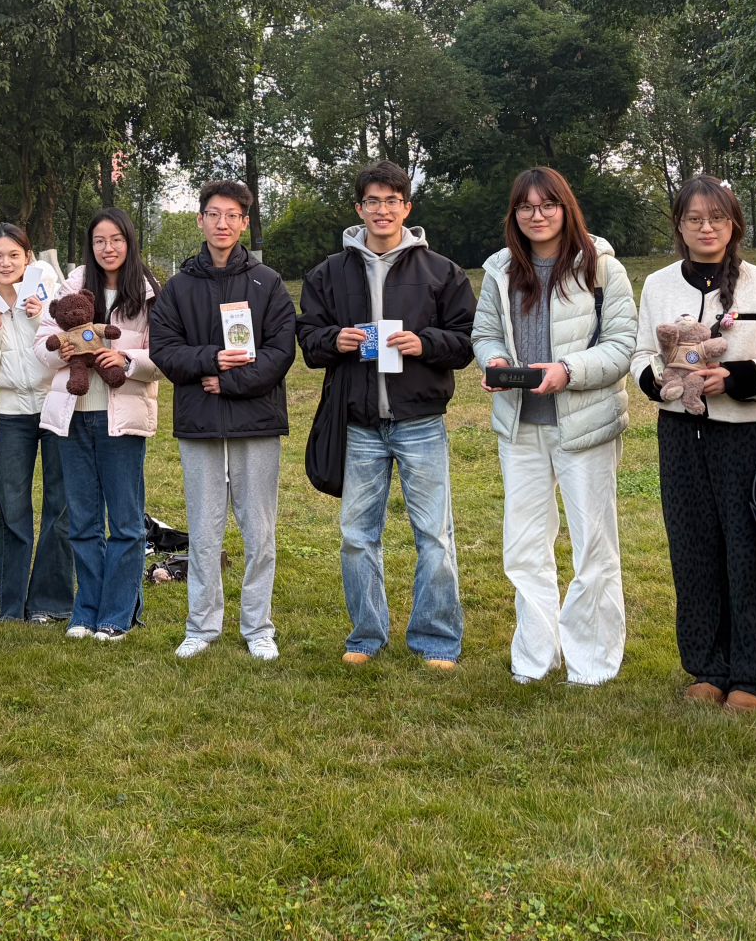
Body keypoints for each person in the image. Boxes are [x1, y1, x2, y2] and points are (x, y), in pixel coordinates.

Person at [297, 162, 475, 669]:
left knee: (434, 536)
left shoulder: (441, 271)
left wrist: (425, 342)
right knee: (357, 536)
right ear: (359, 209)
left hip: (420, 421)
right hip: (358, 425)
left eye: (392, 201)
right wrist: (335, 339)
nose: (382, 210)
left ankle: (436, 640)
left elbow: (466, 342)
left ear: (407, 208)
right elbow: (307, 338)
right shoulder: (328, 273)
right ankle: (365, 637)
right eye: (372, 201)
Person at [629, 177, 756, 710]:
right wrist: (655, 384)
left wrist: (738, 378)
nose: (706, 228)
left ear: (734, 225)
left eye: (717, 218)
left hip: (746, 436)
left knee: (753, 554)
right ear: (679, 224)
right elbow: (638, 356)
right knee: (694, 550)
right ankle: (706, 665)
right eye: (695, 218)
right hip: (680, 435)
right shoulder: (656, 284)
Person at [472, 166, 639, 686]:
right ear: (514, 215)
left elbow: (621, 347)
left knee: (593, 545)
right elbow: (485, 332)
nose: (536, 215)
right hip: (520, 428)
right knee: (523, 547)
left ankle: (591, 661)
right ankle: (536, 656)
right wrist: (496, 362)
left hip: (583, 426)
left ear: (566, 208)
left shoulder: (601, 267)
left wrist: (568, 372)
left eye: (547, 205)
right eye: (525, 207)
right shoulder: (500, 270)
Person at [148, 181, 298, 661]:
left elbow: (280, 351)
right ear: (200, 220)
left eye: (233, 215)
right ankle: (202, 626)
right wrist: (212, 359)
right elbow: (164, 351)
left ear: (245, 222)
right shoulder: (178, 286)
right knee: (205, 529)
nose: (222, 224)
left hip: (256, 421)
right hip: (201, 423)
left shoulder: (267, 282)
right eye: (214, 214)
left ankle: (258, 627)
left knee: (259, 531)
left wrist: (228, 383)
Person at [35, 208, 164, 642]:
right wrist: (66, 352)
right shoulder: (70, 288)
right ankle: (84, 612)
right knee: (83, 521)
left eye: (116, 240)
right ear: (90, 247)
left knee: (125, 523)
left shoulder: (148, 294)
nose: (107, 248)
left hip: (122, 419)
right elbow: (42, 347)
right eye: (99, 241)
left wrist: (127, 361)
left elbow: (162, 355)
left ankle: (116, 614)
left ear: (129, 241)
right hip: (72, 417)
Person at [0, 222, 70, 624]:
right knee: (12, 507)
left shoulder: (51, 294)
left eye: (14, 255)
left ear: (28, 257)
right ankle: (10, 608)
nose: (6, 263)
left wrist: (39, 320)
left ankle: (51, 603)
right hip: (13, 415)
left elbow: (66, 354)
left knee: (60, 506)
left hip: (55, 406)